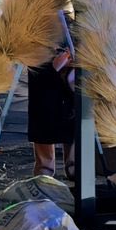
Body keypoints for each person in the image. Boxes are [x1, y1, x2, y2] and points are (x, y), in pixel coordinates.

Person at [28, 46, 75, 176]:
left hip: (73, 49)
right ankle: (44, 168)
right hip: (41, 48)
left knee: (73, 106)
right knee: (43, 106)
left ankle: (74, 164)